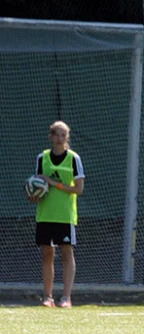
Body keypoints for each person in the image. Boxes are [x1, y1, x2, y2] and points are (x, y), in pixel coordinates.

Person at [28, 121, 85, 308]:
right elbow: (37, 184)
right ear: (51, 137)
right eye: (56, 135)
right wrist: (34, 195)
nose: (60, 139)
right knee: (47, 253)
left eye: (63, 135)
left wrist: (54, 183)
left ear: (67, 138)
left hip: (65, 215)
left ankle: (66, 297)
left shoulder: (73, 159)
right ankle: (48, 296)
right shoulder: (42, 158)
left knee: (67, 253)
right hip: (45, 214)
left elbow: (78, 189)